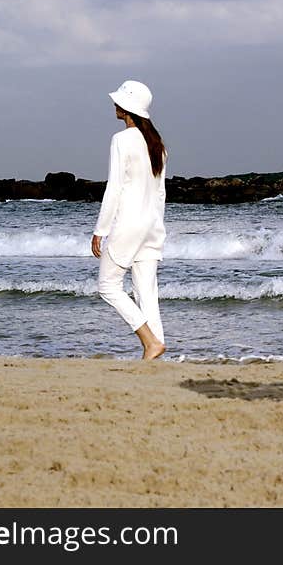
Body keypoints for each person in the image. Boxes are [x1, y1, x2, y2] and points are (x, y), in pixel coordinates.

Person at [91, 79, 168, 360]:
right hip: (151, 226)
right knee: (146, 292)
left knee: (108, 287)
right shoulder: (158, 145)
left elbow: (115, 188)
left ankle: (149, 341)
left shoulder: (121, 140)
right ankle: (155, 350)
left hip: (129, 224)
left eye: (119, 101)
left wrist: (100, 230)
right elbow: (160, 194)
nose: (114, 104)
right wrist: (157, 228)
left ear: (127, 108)